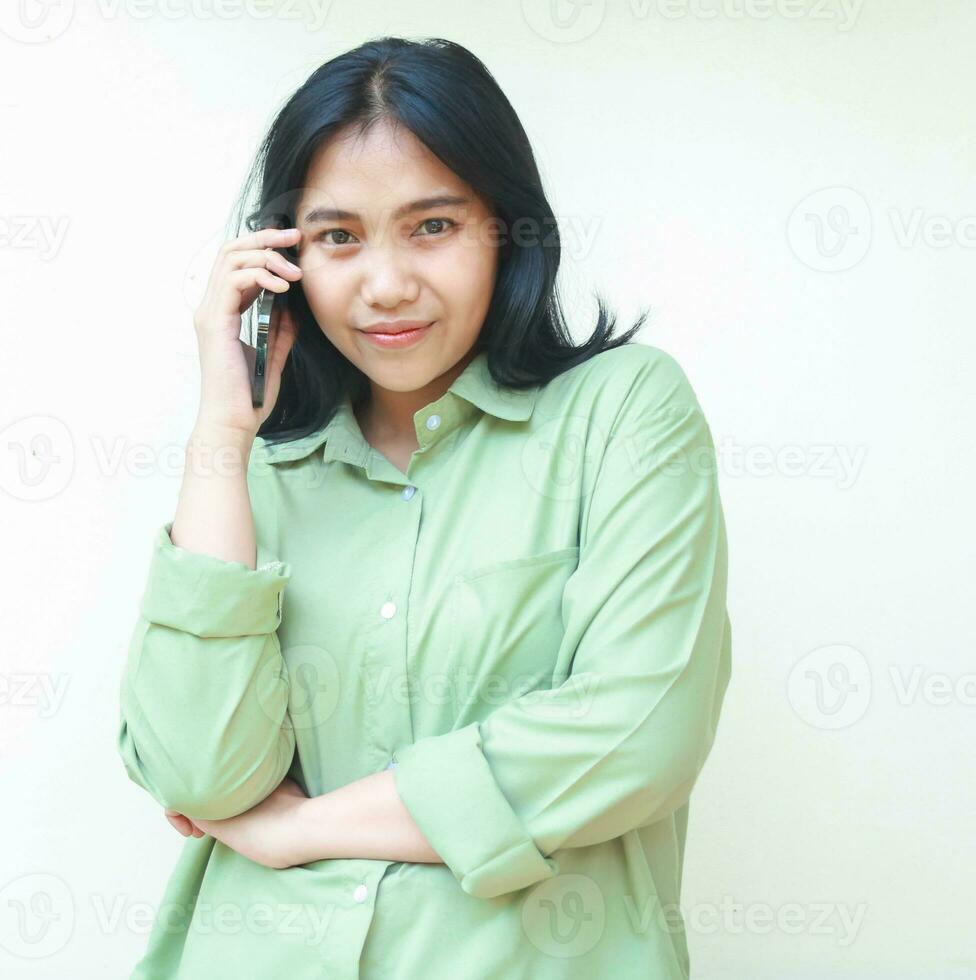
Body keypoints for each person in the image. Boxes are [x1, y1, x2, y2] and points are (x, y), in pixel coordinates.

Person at [117, 35, 732, 979]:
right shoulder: (256, 474)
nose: (386, 284)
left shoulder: (623, 414)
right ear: (285, 258)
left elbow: (636, 732)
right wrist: (221, 435)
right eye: (338, 237)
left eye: (433, 226)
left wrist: (300, 829)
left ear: (505, 229)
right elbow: (201, 776)